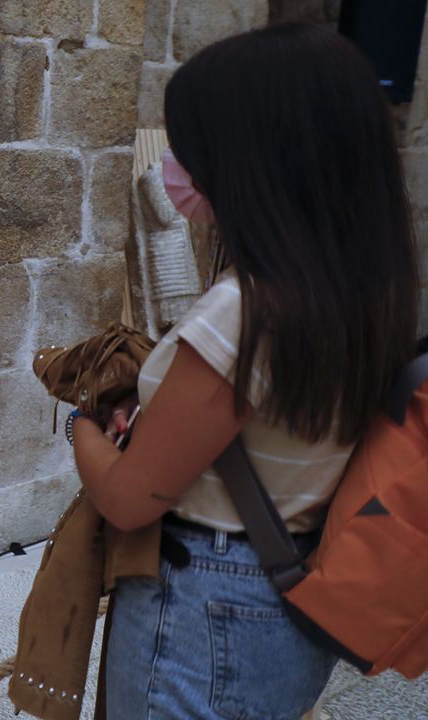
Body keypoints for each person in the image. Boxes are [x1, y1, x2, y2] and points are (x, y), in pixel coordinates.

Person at [70, 24, 420, 719]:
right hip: (289, 589)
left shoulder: (244, 311)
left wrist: (82, 427)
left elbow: (131, 501)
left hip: (205, 604)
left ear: (255, 157)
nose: (178, 166)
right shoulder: (363, 287)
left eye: (196, 146)